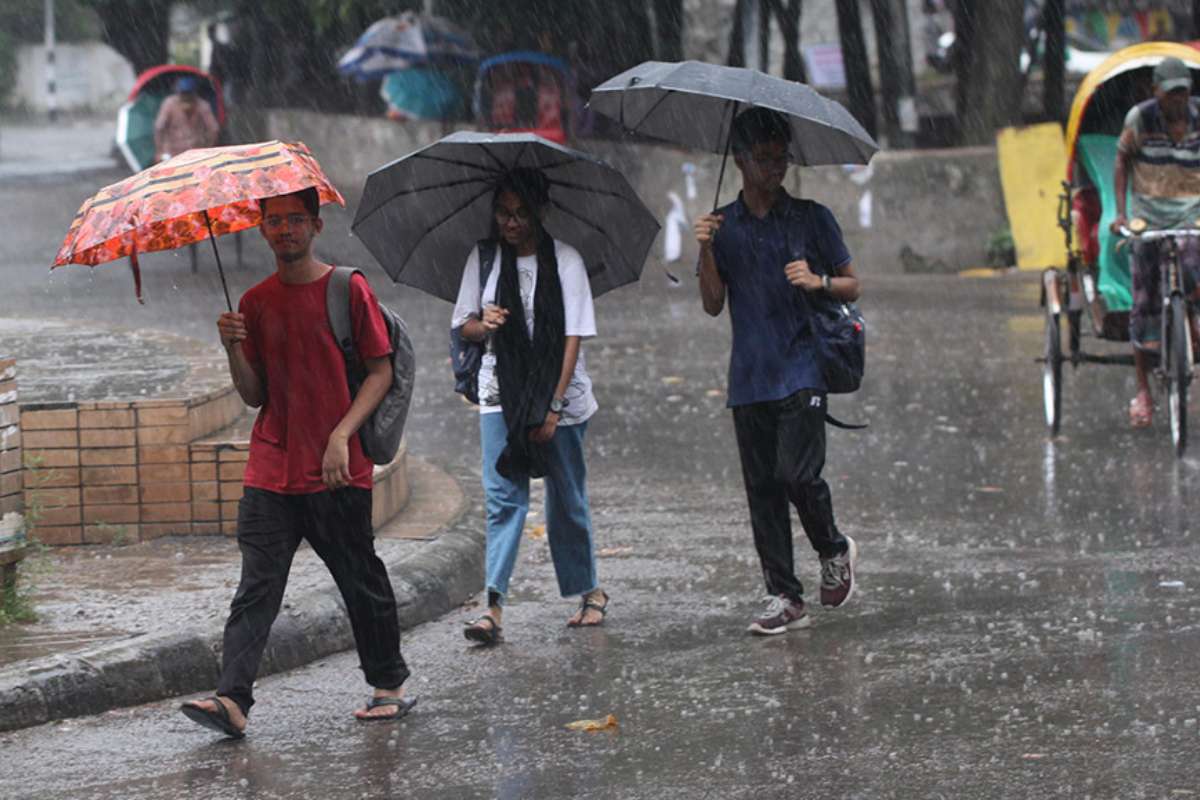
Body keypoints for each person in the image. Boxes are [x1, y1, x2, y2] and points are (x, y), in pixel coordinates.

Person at [180, 187, 413, 737]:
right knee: (256, 588)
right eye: (274, 221)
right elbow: (255, 395)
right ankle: (232, 700)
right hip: (271, 469)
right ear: (261, 229)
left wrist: (341, 435)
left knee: (359, 579)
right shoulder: (255, 302)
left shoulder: (346, 289)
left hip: (336, 468)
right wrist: (233, 348)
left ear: (315, 225)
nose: (284, 230)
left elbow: (380, 372)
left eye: (295, 220)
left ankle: (388, 684)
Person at [693, 107, 860, 636]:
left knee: (797, 474)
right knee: (762, 490)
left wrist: (819, 282)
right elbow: (713, 304)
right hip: (750, 376)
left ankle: (832, 547)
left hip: (803, 366)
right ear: (739, 161)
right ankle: (784, 596)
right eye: (763, 159)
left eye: (780, 158)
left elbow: (853, 284)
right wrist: (704, 249)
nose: (774, 168)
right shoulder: (723, 228)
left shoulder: (812, 218)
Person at [451, 168, 607, 645]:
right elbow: (463, 325)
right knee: (503, 499)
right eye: (503, 213)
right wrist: (486, 323)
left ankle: (589, 591)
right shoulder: (483, 260)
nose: (511, 223)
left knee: (566, 499)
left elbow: (572, 337)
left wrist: (555, 405)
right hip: (502, 392)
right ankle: (492, 607)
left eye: (520, 214)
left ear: (540, 212)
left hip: (559, 394)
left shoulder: (565, 261)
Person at [1110, 57, 1200, 428]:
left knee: (1195, 272)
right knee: (1143, 300)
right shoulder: (1139, 119)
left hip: (1192, 215)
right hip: (1148, 216)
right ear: (1156, 92)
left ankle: (1191, 329)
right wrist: (1120, 213)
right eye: (1171, 92)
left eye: (1183, 91)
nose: (1178, 99)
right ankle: (1143, 392)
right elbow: (1121, 162)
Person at [153, 76, 220, 162]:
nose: (186, 97)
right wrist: (160, 151)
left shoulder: (202, 106)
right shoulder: (169, 104)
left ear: (194, 94)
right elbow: (159, 127)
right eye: (184, 94)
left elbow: (214, 129)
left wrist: (207, 147)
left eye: (188, 95)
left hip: (194, 152)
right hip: (172, 152)